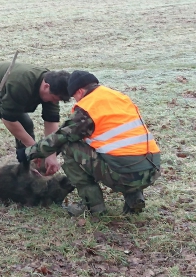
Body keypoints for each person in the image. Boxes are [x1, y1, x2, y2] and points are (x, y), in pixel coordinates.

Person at [16, 70, 161, 216]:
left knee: (68, 146)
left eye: (74, 97)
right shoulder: (118, 97)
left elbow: (61, 137)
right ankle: (135, 197)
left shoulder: (89, 107)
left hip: (125, 175)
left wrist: (28, 153)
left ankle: (94, 206)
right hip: (151, 170)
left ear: (80, 91)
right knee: (121, 150)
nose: (76, 101)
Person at [0, 63, 71, 209]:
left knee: (26, 125)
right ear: (46, 86)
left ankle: (25, 170)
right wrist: (35, 148)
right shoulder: (21, 83)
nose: (54, 102)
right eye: (54, 98)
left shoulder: (54, 85)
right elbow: (9, 119)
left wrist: (49, 154)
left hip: (1, 96)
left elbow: (51, 120)